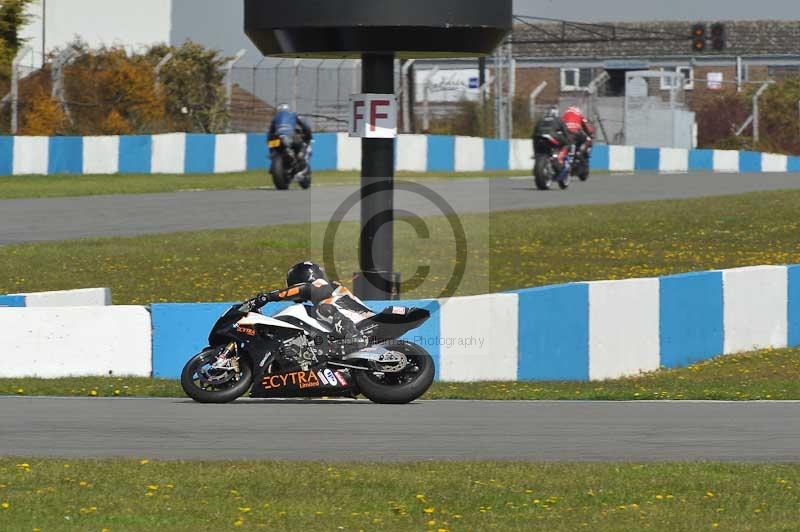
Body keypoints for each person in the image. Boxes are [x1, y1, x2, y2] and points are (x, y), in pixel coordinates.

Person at [240, 262, 371, 348]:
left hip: (360, 320)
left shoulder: (321, 285)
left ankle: (353, 335)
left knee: (324, 307)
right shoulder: (330, 288)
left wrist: (268, 297)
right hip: (358, 317)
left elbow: (303, 289)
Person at [268, 103, 314, 177]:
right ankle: (300, 155)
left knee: (272, 149)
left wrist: (269, 142)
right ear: (288, 109)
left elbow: (270, 132)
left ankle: (272, 164)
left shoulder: (275, 118)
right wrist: (309, 135)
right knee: (302, 144)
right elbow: (306, 126)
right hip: (289, 135)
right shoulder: (293, 114)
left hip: (275, 137)